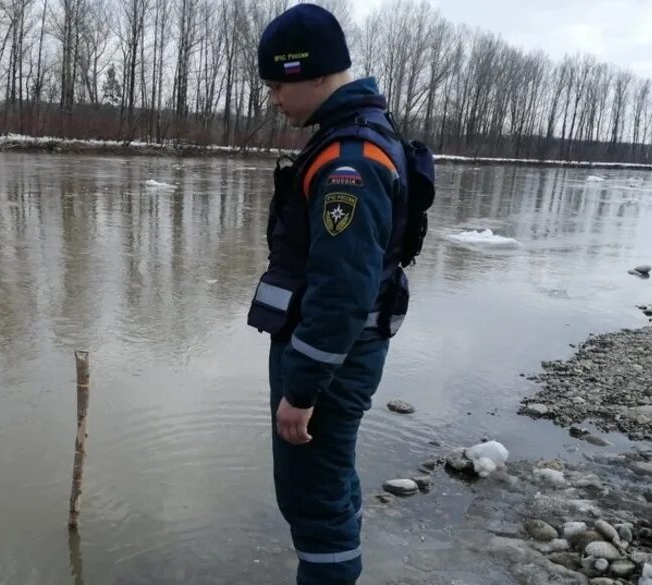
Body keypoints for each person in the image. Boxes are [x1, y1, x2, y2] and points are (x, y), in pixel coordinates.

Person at [246, 4, 435, 585]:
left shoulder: (348, 161)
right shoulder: (354, 138)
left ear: (317, 75)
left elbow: (342, 293)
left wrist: (301, 391)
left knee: (313, 497)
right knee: (328, 480)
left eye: (279, 83)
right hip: (338, 353)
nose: (274, 98)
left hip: (330, 360)